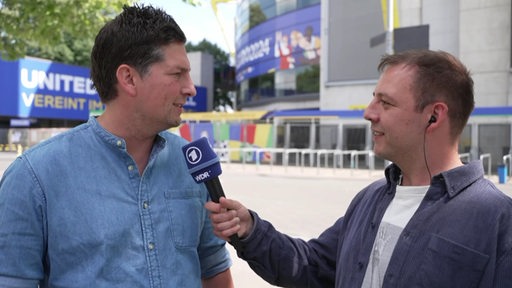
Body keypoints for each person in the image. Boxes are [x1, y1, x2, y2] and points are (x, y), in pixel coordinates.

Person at [206, 50, 512, 287]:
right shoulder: (370, 199)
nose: (368, 113)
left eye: (385, 103)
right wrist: (250, 230)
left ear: (434, 116)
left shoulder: (498, 221)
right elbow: (311, 266)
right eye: (372, 100)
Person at [0, 4, 233, 288]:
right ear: (129, 78)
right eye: (177, 74)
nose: (191, 88)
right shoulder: (33, 177)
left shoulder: (192, 164)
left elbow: (213, 265)